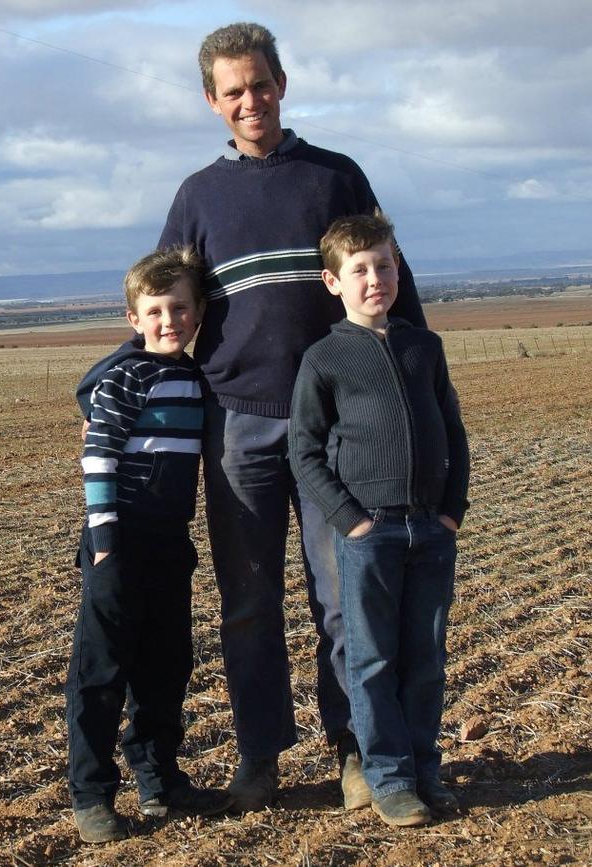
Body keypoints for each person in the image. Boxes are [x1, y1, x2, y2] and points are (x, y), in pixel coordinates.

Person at [76, 21, 427, 813]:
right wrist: (117, 392)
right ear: (212, 101)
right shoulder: (198, 196)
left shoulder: (336, 176)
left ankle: (357, 752)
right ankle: (260, 756)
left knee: (343, 598)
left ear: (282, 84)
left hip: (338, 426)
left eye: (260, 84)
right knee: (248, 600)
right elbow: (162, 306)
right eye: (232, 91)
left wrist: (419, 378)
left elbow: (390, 278)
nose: (250, 100)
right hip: (236, 425)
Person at [288, 212, 470, 827]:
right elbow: (305, 452)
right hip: (371, 533)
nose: (375, 279)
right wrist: (351, 520)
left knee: (425, 655)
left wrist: (451, 512)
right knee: (371, 662)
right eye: (359, 270)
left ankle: (425, 770)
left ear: (399, 271)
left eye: (385, 266)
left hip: (430, 531)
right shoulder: (324, 358)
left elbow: (453, 432)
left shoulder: (425, 346)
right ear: (333, 282)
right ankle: (389, 780)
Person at [66, 248, 231, 844]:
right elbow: (98, 453)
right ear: (134, 319)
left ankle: (160, 781)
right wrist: (105, 536)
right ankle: (92, 794)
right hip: (119, 541)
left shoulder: (194, 376)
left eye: (180, 309)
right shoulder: (126, 374)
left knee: (167, 666)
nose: (169, 321)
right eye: (155, 311)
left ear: (198, 312)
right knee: (102, 670)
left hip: (168, 544)